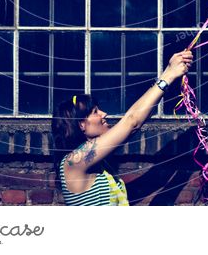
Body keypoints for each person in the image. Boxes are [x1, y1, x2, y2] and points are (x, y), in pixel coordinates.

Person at [52, 49, 193, 206]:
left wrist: (169, 69)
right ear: (81, 124)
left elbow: (138, 120)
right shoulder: (74, 161)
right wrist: (169, 76)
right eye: (95, 112)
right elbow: (131, 122)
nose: (104, 114)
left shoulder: (96, 161)